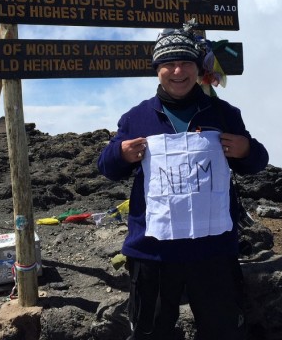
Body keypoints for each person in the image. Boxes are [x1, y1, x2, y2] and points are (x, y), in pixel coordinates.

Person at [98, 21, 269, 340]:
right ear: (157, 69)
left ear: (196, 67)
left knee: (222, 330)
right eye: (168, 64)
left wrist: (246, 150)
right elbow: (107, 168)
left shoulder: (223, 113)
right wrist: (120, 153)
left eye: (185, 62)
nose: (178, 71)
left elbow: (256, 162)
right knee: (150, 331)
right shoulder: (137, 117)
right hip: (154, 252)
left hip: (213, 250)